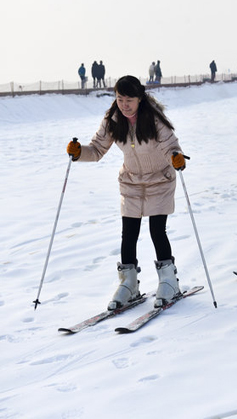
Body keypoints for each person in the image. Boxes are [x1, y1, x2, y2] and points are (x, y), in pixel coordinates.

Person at [65, 75, 188, 310]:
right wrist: (79, 152)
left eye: (129, 100)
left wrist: (176, 158)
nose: (124, 105)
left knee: (156, 230)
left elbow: (170, 145)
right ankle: (129, 284)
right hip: (131, 182)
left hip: (159, 181)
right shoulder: (113, 120)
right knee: (128, 234)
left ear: (140, 99)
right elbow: (98, 149)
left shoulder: (153, 119)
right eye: (120, 99)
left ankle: (169, 281)